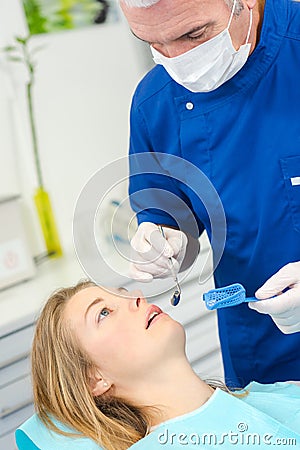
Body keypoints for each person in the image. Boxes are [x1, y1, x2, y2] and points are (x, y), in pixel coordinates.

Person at [119, 0, 300, 388]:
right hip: (262, 369)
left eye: (193, 34)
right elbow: (170, 219)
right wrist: (162, 243)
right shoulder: (156, 102)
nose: (178, 60)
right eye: (153, 43)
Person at [16, 281, 300, 450]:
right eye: (103, 313)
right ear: (93, 380)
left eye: (124, 292)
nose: (137, 296)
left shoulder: (276, 394)